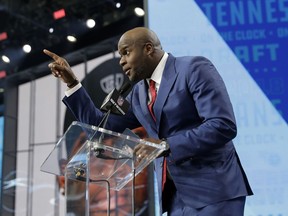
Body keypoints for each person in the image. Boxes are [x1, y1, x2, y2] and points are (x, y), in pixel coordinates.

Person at [44, 27, 253, 216]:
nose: (121, 61)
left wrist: (166, 144)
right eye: (120, 55)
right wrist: (71, 83)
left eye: (126, 52)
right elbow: (101, 129)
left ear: (148, 49)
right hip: (176, 198)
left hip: (214, 191)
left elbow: (222, 125)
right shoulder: (139, 93)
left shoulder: (193, 68)